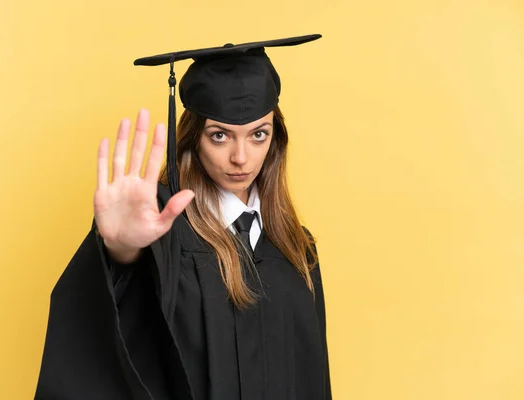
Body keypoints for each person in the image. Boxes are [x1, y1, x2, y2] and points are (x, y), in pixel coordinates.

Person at [35, 34, 332, 400]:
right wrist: (120, 251)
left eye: (258, 134)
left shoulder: (297, 247)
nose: (241, 157)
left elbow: (315, 379)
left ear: (276, 139)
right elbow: (105, 327)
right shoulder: (163, 230)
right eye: (220, 135)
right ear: (193, 140)